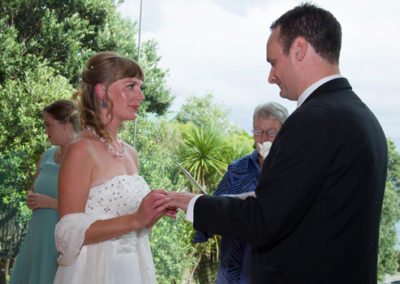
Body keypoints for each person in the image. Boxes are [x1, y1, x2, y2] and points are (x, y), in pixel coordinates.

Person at [167, 3, 388, 283]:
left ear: (299, 49)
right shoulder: (362, 117)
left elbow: (264, 220)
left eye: (273, 62)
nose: (270, 77)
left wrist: (193, 204)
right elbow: (297, 203)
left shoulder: (313, 120)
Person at [53, 51, 173, 284]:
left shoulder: (131, 154)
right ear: (102, 90)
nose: (141, 95)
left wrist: (152, 213)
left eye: (140, 86)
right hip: (94, 271)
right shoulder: (80, 150)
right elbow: (67, 234)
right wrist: (136, 219)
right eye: (131, 86)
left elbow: (134, 225)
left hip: (132, 268)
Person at [193, 102, 288, 284]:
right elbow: (217, 210)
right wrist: (202, 204)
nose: (263, 139)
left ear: (285, 133)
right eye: (258, 132)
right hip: (233, 272)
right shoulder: (238, 169)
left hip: (275, 272)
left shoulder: (293, 172)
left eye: (271, 132)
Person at [9, 100, 79, 284]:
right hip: (36, 236)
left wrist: (49, 203)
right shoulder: (47, 154)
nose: (45, 131)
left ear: (66, 123)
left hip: (60, 241)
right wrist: (31, 197)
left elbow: (90, 206)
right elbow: (34, 187)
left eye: (49, 125)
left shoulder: (83, 158)